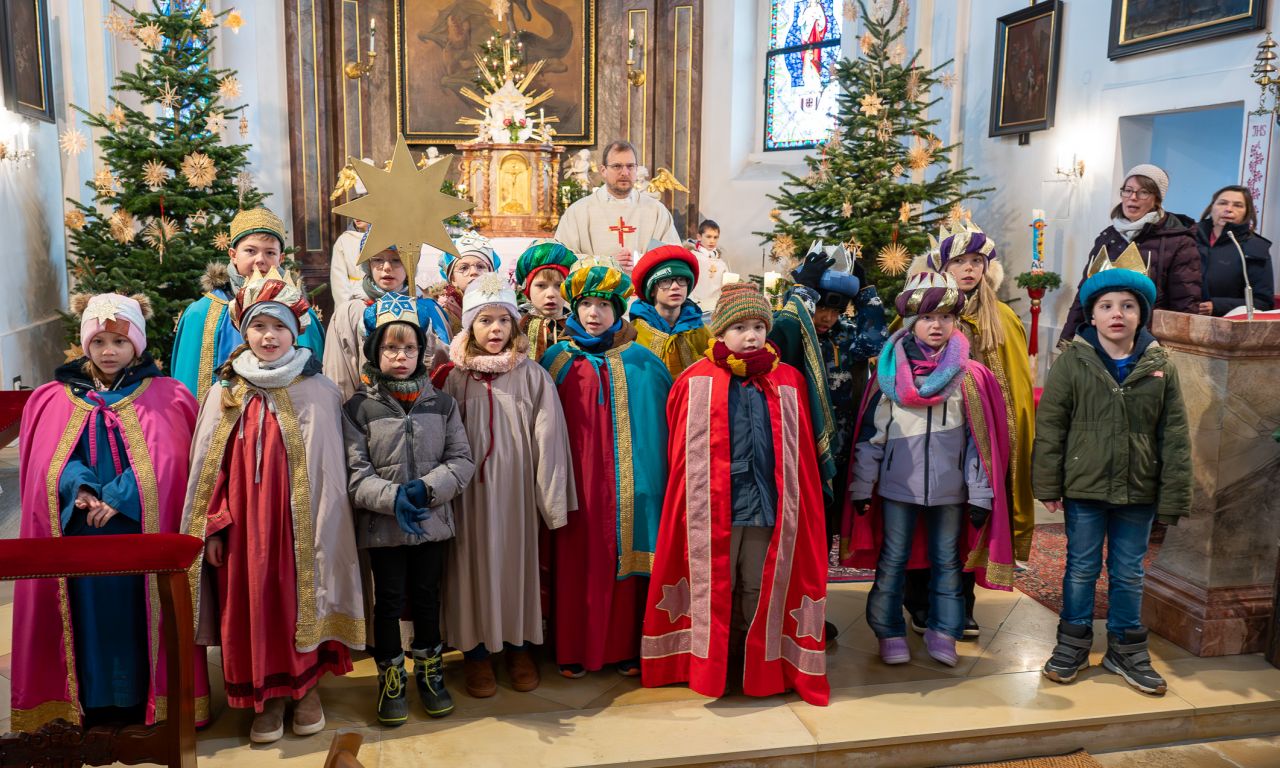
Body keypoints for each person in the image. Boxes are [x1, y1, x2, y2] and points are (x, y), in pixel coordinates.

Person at [11, 293, 211, 733]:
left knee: (139, 620)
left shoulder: (168, 396)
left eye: (118, 342)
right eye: (98, 340)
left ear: (136, 345)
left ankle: (145, 699)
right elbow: (47, 459)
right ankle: (92, 701)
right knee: (87, 623)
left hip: (139, 533)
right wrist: (80, 490)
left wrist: (118, 497)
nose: (108, 351)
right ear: (86, 344)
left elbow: (173, 461)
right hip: (80, 532)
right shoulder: (54, 397)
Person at [182, 268, 364, 744]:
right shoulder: (226, 392)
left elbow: (333, 467)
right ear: (245, 332)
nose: (269, 336)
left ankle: (305, 690)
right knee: (255, 603)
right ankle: (267, 697)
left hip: (304, 528)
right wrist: (215, 526)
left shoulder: (320, 391)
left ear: (295, 330)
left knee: (300, 599)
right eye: (259, 327)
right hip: (244, 532)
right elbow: (209, 469)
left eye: (279, 326)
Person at [641, 283, 829, 706]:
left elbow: (799, 456)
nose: (751, 336)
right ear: (720, 333)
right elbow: (679, 453)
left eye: (759, 326)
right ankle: (717, 662)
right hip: (713, 510)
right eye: (740, 327)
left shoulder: (789, 380)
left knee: (756, 586)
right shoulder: (695, 381)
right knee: (716, 585)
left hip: (767, 508)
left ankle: (754, 661)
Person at [1035, 247, 1191, 696]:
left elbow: (1175, 434)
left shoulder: (1160, 366)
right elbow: (1052, 427)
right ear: (1093, 314)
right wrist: (1047, 482)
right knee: (1081, 568)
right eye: (1106, 306)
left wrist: (1173, 494)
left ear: (1141, 314)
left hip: (1138, 489)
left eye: (1127, 306)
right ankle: (1073, 642)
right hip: (1084, 486)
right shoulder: (1073, 361)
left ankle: (1126, 647)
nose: (1117, 314)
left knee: (1128, 571)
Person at [844, 272, 1014, 667]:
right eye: (926, 317)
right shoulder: (887, 378)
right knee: (893, 561)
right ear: (910, 323)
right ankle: (888, 631)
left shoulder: (970, 377)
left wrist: (980, 494)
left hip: (951, 491)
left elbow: (980, 444)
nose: (936, 325)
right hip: (896, 490)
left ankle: (944, 631)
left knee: (947, 563)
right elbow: (872, 439)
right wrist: (860, 489)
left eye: (944, 317)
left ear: (956, 321)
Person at [433, 274, 575, 699]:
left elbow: (549, 441)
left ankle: (517, 647)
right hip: (467, 495)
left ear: (515, 326)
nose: (494, 329)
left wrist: (550, 501)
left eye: (502, 321)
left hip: (515, 493)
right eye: (484, 321)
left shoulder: (532, 376)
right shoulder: (454, 377)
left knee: (516, 567)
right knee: (468, 568)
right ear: (469, 328)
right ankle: (475, 654)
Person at [343, 292, 475, 725]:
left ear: (422, 352)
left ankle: (430, 672)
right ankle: (391, 676)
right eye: (390, 348)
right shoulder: (358, 407)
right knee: (390, 600)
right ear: (375, 352)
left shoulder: (442, 402)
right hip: (384, 526)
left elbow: (461, 460)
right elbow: (356, 472)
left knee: (426, 597)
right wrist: (393, 497)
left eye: (409, 348)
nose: (400, 357)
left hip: (432, 521)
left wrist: (425, 489)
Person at [540, 257, 672, 678]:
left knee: (628, 558)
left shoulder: (644, 361)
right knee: (577, 560)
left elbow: (660, 425)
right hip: (576, 485)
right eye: (585, 305)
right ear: (573, 308)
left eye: (603, 305)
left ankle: (627, 647)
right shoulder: (557, 360)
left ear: (619, 309)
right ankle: (573, 648)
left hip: (631, 485)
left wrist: (650, 481)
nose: (593, 314)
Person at [902, 221, 1036, 638]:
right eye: (959, 260)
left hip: (978, 442)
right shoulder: (923, 314)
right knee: (926, 519)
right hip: (929, 437)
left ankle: (961, 602)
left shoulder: (1004, 319)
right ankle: (920, 598)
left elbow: (1016, 385)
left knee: (968, 521)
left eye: (977, 261)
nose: (969, 269)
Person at [171, 207, 325, 402]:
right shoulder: (200, 314)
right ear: (233, 254)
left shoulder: (303, 316)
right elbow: (188, 385)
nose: (260, 260)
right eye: (250, 251)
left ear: (281, 259)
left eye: (270, 252)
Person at [1058, 164, 1201, 344]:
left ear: (1157, 199)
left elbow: (1185, 305)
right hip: (1100, 341)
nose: (1133, 198)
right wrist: (1068, 340)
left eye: (1143, 192)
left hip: (1147, 343)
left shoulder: (1179, 241)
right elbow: (1085, 294)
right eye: (1128, 190)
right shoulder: (1107, 237)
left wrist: (1168, 355)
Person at [810, 256, 888, 558]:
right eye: (820, 308)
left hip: (841, 443)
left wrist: (866, 292)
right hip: (807, 442)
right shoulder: (799, 333)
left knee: (831, 514)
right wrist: (802, 289)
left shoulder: (846, 336)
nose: (826, 317)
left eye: (834, 310)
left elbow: (874, 341)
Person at [322, 237, 450, 401]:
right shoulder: (351, 312)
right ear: (368, 264)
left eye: (396, 260)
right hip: (367, 414)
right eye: (378, 259)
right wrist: (351, 417)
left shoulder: (429, 309)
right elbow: (339, 377)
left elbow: (445, 371)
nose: (387, 268)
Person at [554, 140, 680, 269]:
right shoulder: (578, 211)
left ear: (636, 169)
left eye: (630, 166)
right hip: (594, 287)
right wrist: (605, 262)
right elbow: (562, 258)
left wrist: (638, 260)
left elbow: (672, 256)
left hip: (643, 288)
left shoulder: (656, 211)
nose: (625, 172)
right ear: (603, 170)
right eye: (617, 166)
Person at [629, 243, 713, 376]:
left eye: (681, 279)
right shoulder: (634, 334)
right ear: (652, 290)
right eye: (665, 281)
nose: (675, 287)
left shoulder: (700, 332)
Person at [1193, 185, 1274, 317]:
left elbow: (1263, 302)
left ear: (1247, 212)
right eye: (1222, 203)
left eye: (1238, 205)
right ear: (1211, 208)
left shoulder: (1256, 247)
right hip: (1179, 318)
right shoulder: (1188, 237)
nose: (1228, 209)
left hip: (1226, 325)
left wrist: (1218, 306)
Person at [514, 240, 578, 360]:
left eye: (559, 286)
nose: (550, 294)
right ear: (527, 289)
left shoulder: (579, 327)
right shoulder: (516, 327)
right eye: (541, 286)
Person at [438, 230, 501, 335]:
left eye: (481, 266)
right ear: (453, 279)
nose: (474, 272)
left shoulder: (503, 307)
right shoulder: (443, 313)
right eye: (464, 267)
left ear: (491, 273)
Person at [687, 219, 727, 310]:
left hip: (716, 307)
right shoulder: (693, 257)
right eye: (708, 237)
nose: (712, 241)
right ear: (699, 237)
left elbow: (726, 287)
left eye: (715, 237)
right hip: (696, 304)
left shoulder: (722, 263)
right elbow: (686, 282)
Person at [330, 217, 371, 305]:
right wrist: (346, 303)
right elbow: (338, 275)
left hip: (377, 294)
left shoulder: (382, 237)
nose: (357, 217)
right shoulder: (344, 240)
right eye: (353, 213)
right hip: (352, 294)